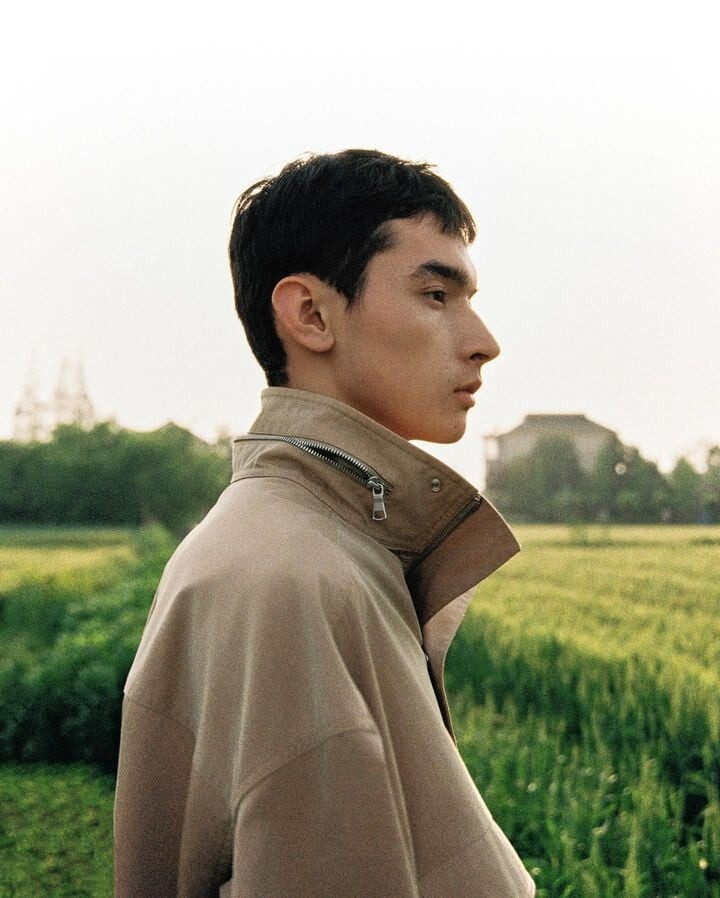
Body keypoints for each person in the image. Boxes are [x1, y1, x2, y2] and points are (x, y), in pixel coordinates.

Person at [113, 148, 536, 897]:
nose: (484, 341)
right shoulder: (294, 578)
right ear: (310, 314)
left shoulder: (318, 542)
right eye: (437, 295)